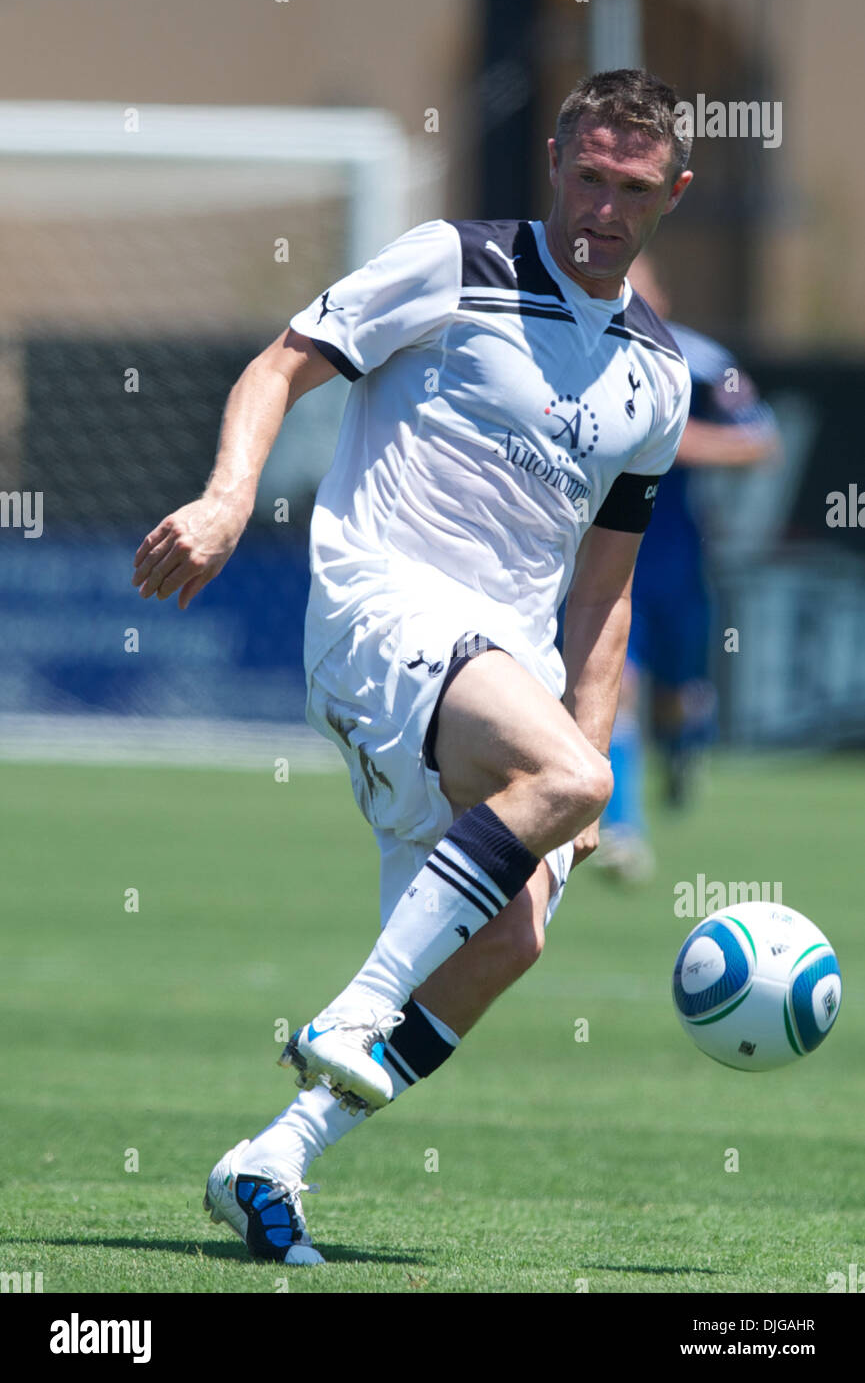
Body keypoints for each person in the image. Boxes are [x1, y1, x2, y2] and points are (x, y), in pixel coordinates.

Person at [132, 68, 693, 1265]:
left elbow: (604, 591)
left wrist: (584, 750)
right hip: (378, 611)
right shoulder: (452, 261)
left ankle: (273, 1155)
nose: (602, 206)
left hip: (498, 676)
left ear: (671, 196)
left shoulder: (659, 377)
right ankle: (352, 1008)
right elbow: (279, 362)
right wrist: (230, 500)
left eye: (630, 189)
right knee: (566, 788)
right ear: (553, 160)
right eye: (586, 175)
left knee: (512, 942)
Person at [594, 253, 780, 883]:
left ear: (663, 300)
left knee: (676, 698)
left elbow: (762, 439)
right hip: (601, 564)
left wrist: (673, 439)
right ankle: (622, 832)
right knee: (615, 688)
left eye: (638, 291)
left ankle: (683, 749)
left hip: (674, 562)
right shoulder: (575, 357)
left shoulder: (704, 364)